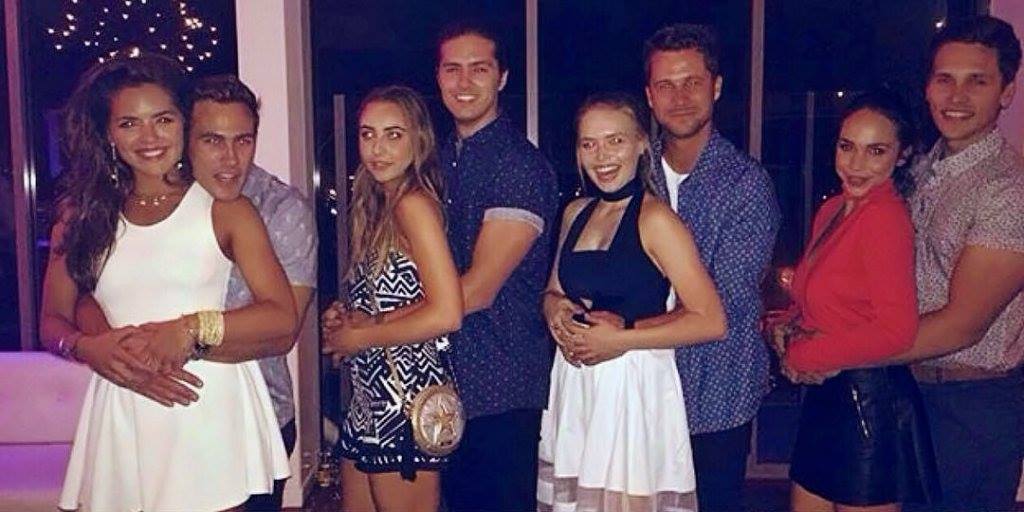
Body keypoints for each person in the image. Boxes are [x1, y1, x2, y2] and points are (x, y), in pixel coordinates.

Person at [40, 52, 296, 511]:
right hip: (124, 402)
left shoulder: (225, 209)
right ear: (107, 133)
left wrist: (189, 330)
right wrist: (88, 348)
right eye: (129, 124)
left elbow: (281, 318)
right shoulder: (81, 217)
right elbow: (52, 320)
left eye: (163, 119)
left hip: (205, 402)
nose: (150, 137)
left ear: (184, 123)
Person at [539, 93, 725, 512]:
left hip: (634, 386)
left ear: (642, 143)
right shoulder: (574, 212)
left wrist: (621, 338)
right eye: (589, 144)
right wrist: (554, 309)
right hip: (577, 386)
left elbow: (711, 320)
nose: (601, 155)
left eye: (615, 141)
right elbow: (554, 290)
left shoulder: (657, 219)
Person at [879, 15, 1024, 512]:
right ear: (928, 87)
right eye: (945, 79)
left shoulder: (1009, 191)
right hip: (906, 388)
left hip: (970, 407)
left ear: (1007, 92)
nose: (956, 96)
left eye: (977, 81)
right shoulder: (919, 167)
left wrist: (841, 351)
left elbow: (963, 325)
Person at [774, 91, 940, 511]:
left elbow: (897, 332)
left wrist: (803, 354)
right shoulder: (833, 209)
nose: (855, 163)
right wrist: (787, 324)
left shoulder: (885, 218)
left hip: (869, 400)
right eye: (847, 147)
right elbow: (823, 301)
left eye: (876, 151)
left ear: (902, 155)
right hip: (826, 395)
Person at [643, 23, 780, 511]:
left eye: (692, 82)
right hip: (639, 387)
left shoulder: (746, 185)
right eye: (666, 85)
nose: (679, 98)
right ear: (650, 96)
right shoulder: (633, 177)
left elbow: (724, 305)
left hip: (715, 394)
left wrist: (621, 333)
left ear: (716, 87)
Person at [434, 21, 558, 512]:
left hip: (501, 385)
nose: (464, 82)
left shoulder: (518, 166)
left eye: (479, 69)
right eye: (452, 69)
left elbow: (478, 291)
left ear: (502, 77)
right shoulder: (438, 158)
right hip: (444, 377)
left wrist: (373, 329)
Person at [322, 85, 463, 512]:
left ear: (418, 139)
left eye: (393, 135)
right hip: (370, 397)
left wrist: (361, 337)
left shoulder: (413, 205)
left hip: (406, 400)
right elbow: (398, 297)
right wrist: (350, 317)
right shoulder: (378, 204)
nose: (377, 148)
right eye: (368, 134)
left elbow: (448, 312)